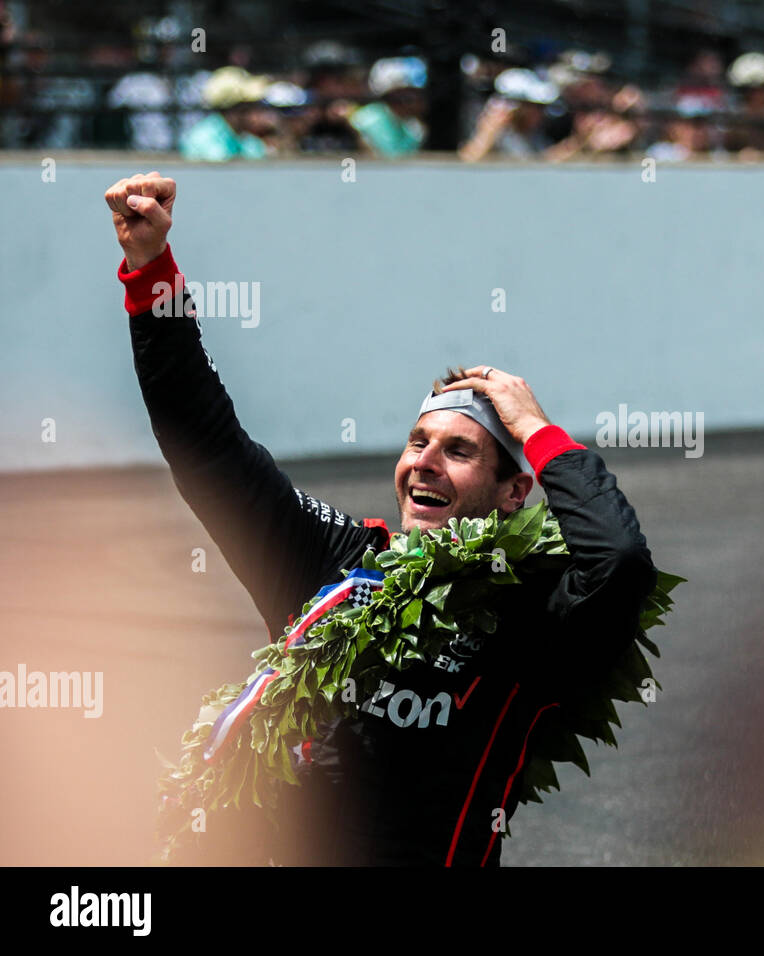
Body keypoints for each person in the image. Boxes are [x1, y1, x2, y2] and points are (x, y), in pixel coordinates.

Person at [104, 172, 660, 866]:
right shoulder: (335, 560)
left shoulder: (531, 613)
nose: (425, 463)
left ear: (515, 491)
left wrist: (539, 431)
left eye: (459, 451)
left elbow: (619, 562)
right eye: (418, 442)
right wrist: (151, 270)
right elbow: (206, 445)